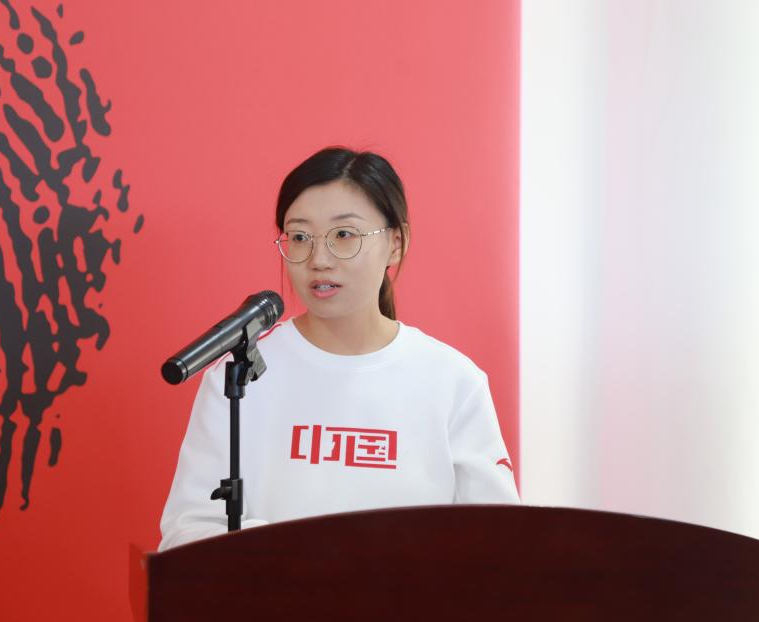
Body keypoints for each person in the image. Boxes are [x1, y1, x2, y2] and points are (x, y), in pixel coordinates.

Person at [158, 146, 519, 551]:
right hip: (274, 594)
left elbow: (500, 544)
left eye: (344, 235)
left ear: (395, 243)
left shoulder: (452, 382)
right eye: (300, 237)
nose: (319, 259)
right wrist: (297, 560)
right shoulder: (238, 376)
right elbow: (188, 531)